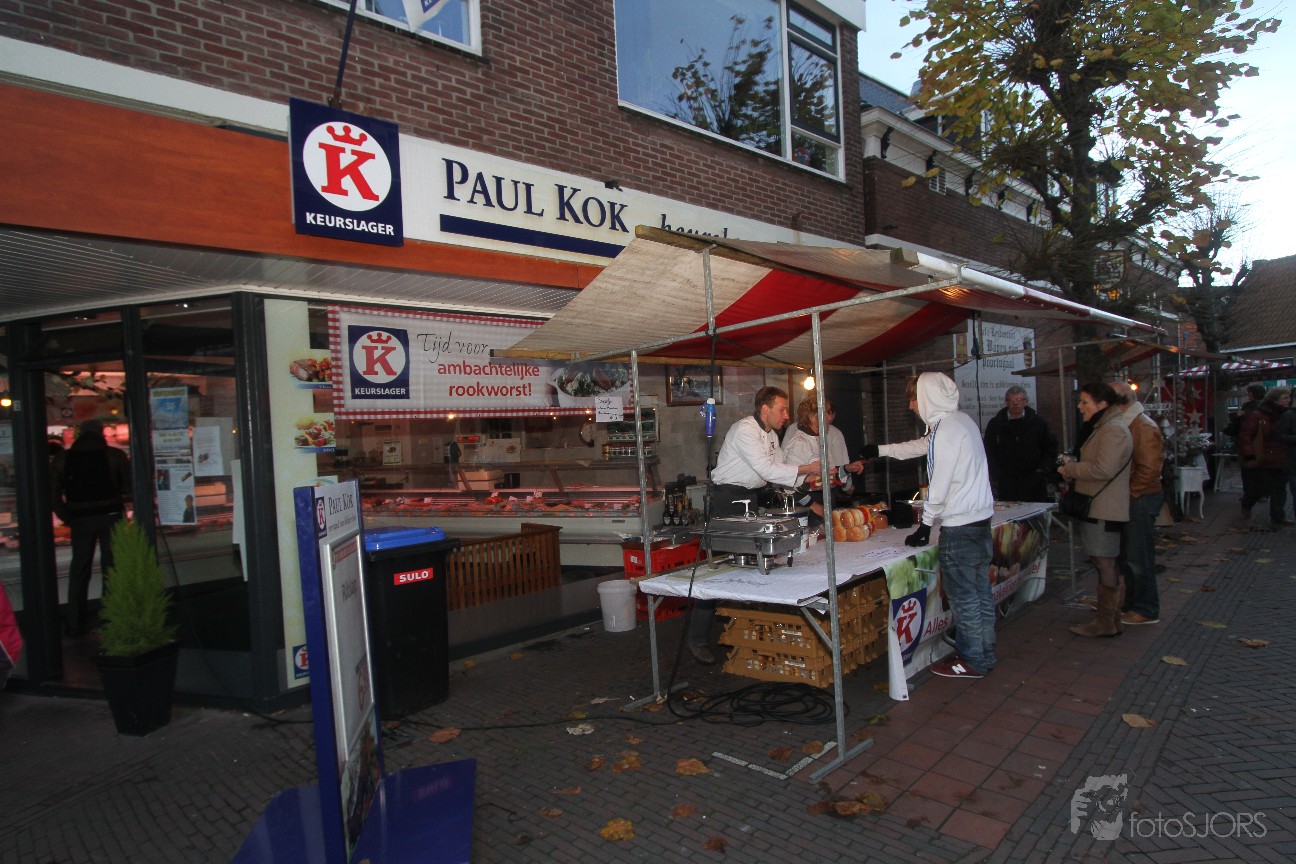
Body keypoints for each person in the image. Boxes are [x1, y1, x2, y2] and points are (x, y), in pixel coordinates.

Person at [860, 372, 996, 679]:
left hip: (960, 527)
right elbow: (920, 446)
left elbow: (940, 483)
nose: (911, 406)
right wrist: (880, 450)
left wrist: (926, 524)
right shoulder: (959, 422)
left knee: (963, 598)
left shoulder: (946, 430)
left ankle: (973, 659)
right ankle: (985, 653)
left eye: (914, 399)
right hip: (978, 523)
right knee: (979, 593)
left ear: (927, 397)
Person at [692, 386, 820, 664]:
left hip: (749, 498)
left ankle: (744, 631)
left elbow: (778, 472)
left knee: (753, 563)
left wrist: (808, 479)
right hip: (726, 500)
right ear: (765, 409)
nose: (786, 416)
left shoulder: (772, 435)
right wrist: (806, 469)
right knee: (718, 570)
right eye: (782, 410)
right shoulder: (745, 430)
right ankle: (698, 639)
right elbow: (766, 469)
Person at [1057, 383, 1133, 638]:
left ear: (1102, 404)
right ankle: (1111, 619)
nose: (1080, 407)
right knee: (1103, 561)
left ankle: (1106, 621)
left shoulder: (1113, 430)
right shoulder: (1104, 427)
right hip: (1099, 505)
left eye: (1085, 402)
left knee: (1105, 561)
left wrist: (1071, 468)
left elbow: (1104, 469)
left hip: (1105, 507)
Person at [50, 418, 132, 637]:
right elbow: (128, 487)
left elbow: (53, 494)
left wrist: (67, 517)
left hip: (80, 519)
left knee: (79, 568)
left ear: (80, 435)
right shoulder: (115, 455)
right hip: (110, 516)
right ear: (101, 434)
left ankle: (74, 622)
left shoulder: (62, 458)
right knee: (111, 567)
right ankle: (110, 618)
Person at [1110, 380, 1164, 626]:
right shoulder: (1131, 423)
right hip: (1134, 496)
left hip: (1140, 498)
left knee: (1138, 556)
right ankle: (1133, 603)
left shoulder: (1142, 426)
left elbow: (1149, 469)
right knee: (1130, 557)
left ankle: (1146, 609)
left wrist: (1131, 494)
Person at [781, 396, 865, 520]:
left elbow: (830, 476)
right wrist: (813, 505)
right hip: (807, 508)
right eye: (826, 415)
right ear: (812, 417)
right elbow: (788, 485)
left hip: (824, 500)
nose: (830, 419)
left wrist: (847, 469)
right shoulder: (799, 443)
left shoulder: (819, 439)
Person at [982, 385, 1058, 502]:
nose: (1015, 403)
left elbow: (1051, 448)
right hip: (1007, 482)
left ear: (1026, 402)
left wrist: (1043, 469)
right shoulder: (996, 424)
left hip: (1033, 481)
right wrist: (996, 473)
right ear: (1006, 402)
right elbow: (988, 450)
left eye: (1019, 399)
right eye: (1012, 400)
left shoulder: (1038, 423)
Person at [1238, 386, 1292, 526]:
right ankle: (1247, 503)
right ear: (1275, 400)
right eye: (1285, 398)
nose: (1288, 400)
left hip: (1283, 457)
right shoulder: (1259, 415)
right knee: (1260, 486)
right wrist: (1249, 455)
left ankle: (1278, 516)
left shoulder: (1288, 414)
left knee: (1279, 487)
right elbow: (1246, 435)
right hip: (1264, 456)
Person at [1227, 382, 1267, 504]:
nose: (1248, 395)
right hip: (1261, 444)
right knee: (1260, 470)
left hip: (1247, 443)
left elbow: (1240, 427)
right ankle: (1261, 494)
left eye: (1249, 393)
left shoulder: (1248, 408)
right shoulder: (1266, 407)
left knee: (1248, 470)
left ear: (1253, 394)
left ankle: (1249, 494)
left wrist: (1238, 417)